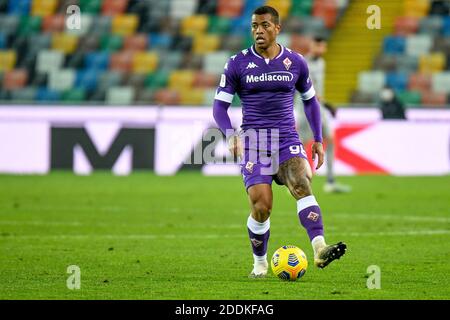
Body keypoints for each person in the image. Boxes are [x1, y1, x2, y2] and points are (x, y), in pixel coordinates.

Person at [212, 6, 346, 278]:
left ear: (277, 28)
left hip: (287, 139)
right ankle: (260, 264)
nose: (258, 31)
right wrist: (230, 134)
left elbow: (310, 101)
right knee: (262, 206)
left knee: (301, 183)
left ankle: (319, 247)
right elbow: (219, 108)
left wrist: (318, 139)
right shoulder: (237, 63)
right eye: (254, 26)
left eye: (263, 25)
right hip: (255, 141)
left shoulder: (296, 62)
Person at [298, 36, 351, 193]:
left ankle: (330, 181)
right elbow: (309, 89)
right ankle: (296, 181)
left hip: (319, 109)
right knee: (302, 145)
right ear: (311, 46)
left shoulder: (321, 63)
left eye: (323, 47)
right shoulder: (303, 64)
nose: (320, 50)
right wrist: (328, 104)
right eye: (317, 46)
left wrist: (324, 104)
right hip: (306, 109)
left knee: (330, 140)